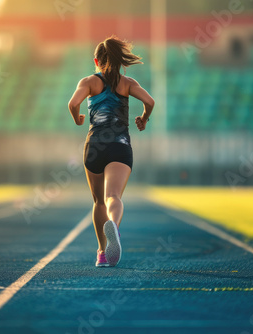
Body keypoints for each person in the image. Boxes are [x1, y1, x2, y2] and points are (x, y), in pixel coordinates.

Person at [68, 36, 155, 267]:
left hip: (95, 145)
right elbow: (150, 101)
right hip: (120, 145)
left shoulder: (88, 82)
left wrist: (78, 119)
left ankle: (102, 253)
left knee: (98, 202)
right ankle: (114, 225)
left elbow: (73, 104)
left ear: (96, 60)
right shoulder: (128, 83)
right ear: (120, 62)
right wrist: (143, 119)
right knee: (113, 197)